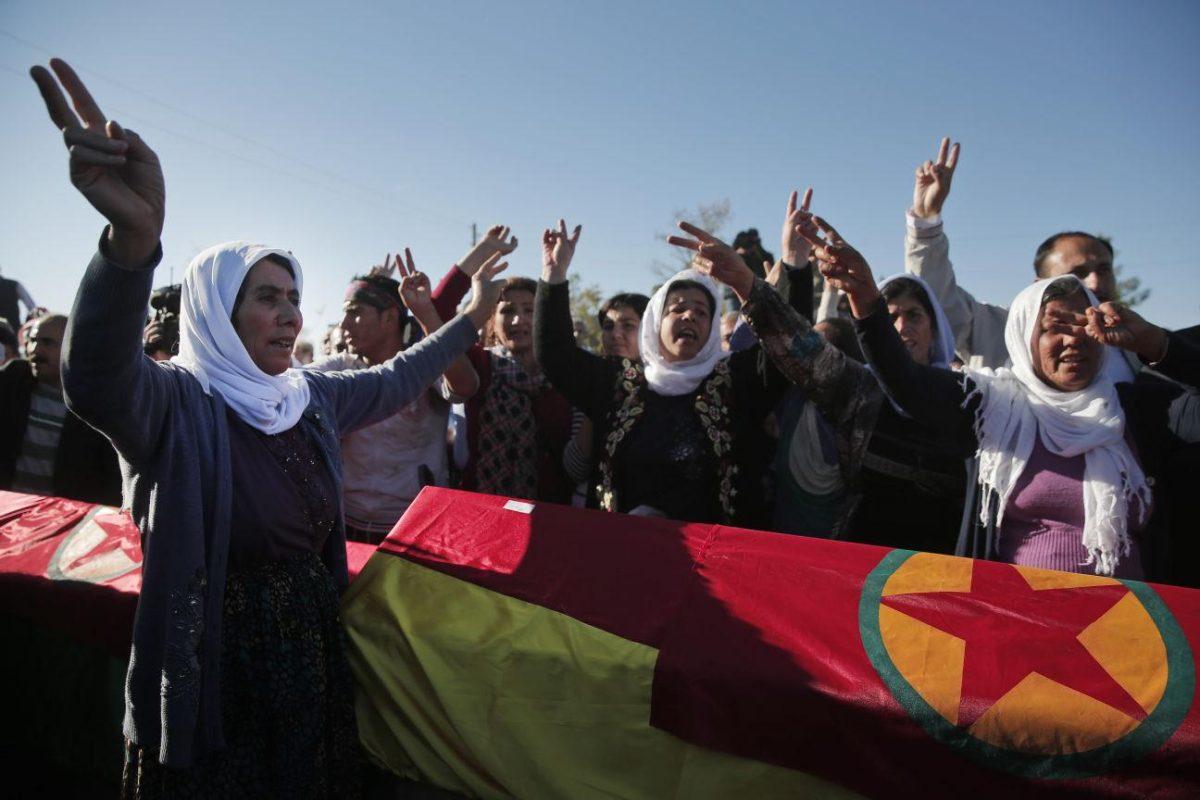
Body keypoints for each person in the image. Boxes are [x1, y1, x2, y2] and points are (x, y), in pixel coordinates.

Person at [29, 58, 507, 796]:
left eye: (294, 296)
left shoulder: (308, 397)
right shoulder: (176, 404)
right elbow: (93, 375)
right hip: (214, 658)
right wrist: (132, 244)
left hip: (308, 645)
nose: (291, 313)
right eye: (266, 297)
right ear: (217, 312)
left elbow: (399, 379)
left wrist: (468, 320)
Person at [806, 211, 1200, 580]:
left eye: (1085, 326)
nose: (1073, 339)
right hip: (1019, 628)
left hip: (1127, 632)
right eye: (1055, 328)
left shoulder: (1140, 410)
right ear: (1023, 338)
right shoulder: (993, 407)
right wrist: (865, 300)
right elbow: (908, 383)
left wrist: (1156, 341)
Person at [666, 198, 971, 551]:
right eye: (889, 318)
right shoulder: (860, 391)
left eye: (914, 316)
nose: (901, 328)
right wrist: (748, 284)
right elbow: (800, 349)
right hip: (865, 575)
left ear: (936, 327)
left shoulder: (972, 400)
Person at [537, 219, 792, 527]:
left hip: (713, 563)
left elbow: (788, 352)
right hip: (622, 556)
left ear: (712, 328)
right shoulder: (617, 381)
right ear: (655, 323)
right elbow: (554, 354)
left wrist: (793, 265)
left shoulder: (736, 380)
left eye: (701, 311)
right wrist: (554, 277)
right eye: (677, 308)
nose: (689, 315)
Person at [906, 137, 1136, 376]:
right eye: (1077, 274)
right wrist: (926, 222)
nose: (1095, 283)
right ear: (1039, 286)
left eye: (1103, 270)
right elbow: (936, 300)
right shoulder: (1000, 330)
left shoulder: (1137, 346)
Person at [310, 250, 482, 543]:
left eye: (355, 312)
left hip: (415, 529)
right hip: (346, 527)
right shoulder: (342, 367)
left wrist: (426, 312)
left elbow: (466, 386)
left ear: (389, 318)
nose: (344, 325)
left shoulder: (422, 366)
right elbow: (300, 381)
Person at [0, 311, 122, 505]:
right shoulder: (12, 380)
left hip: (62, 523)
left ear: (72, 347)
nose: (35, 350)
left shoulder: (96, 403)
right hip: (10, 517)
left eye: (47, 343)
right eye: (32, 340)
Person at [562, 291, 650, 506]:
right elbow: (575, 468)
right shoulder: (588, 383)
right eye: (609, 326)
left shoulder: (668, 387)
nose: (616, 334)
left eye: (628, 325)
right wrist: (597, 401)